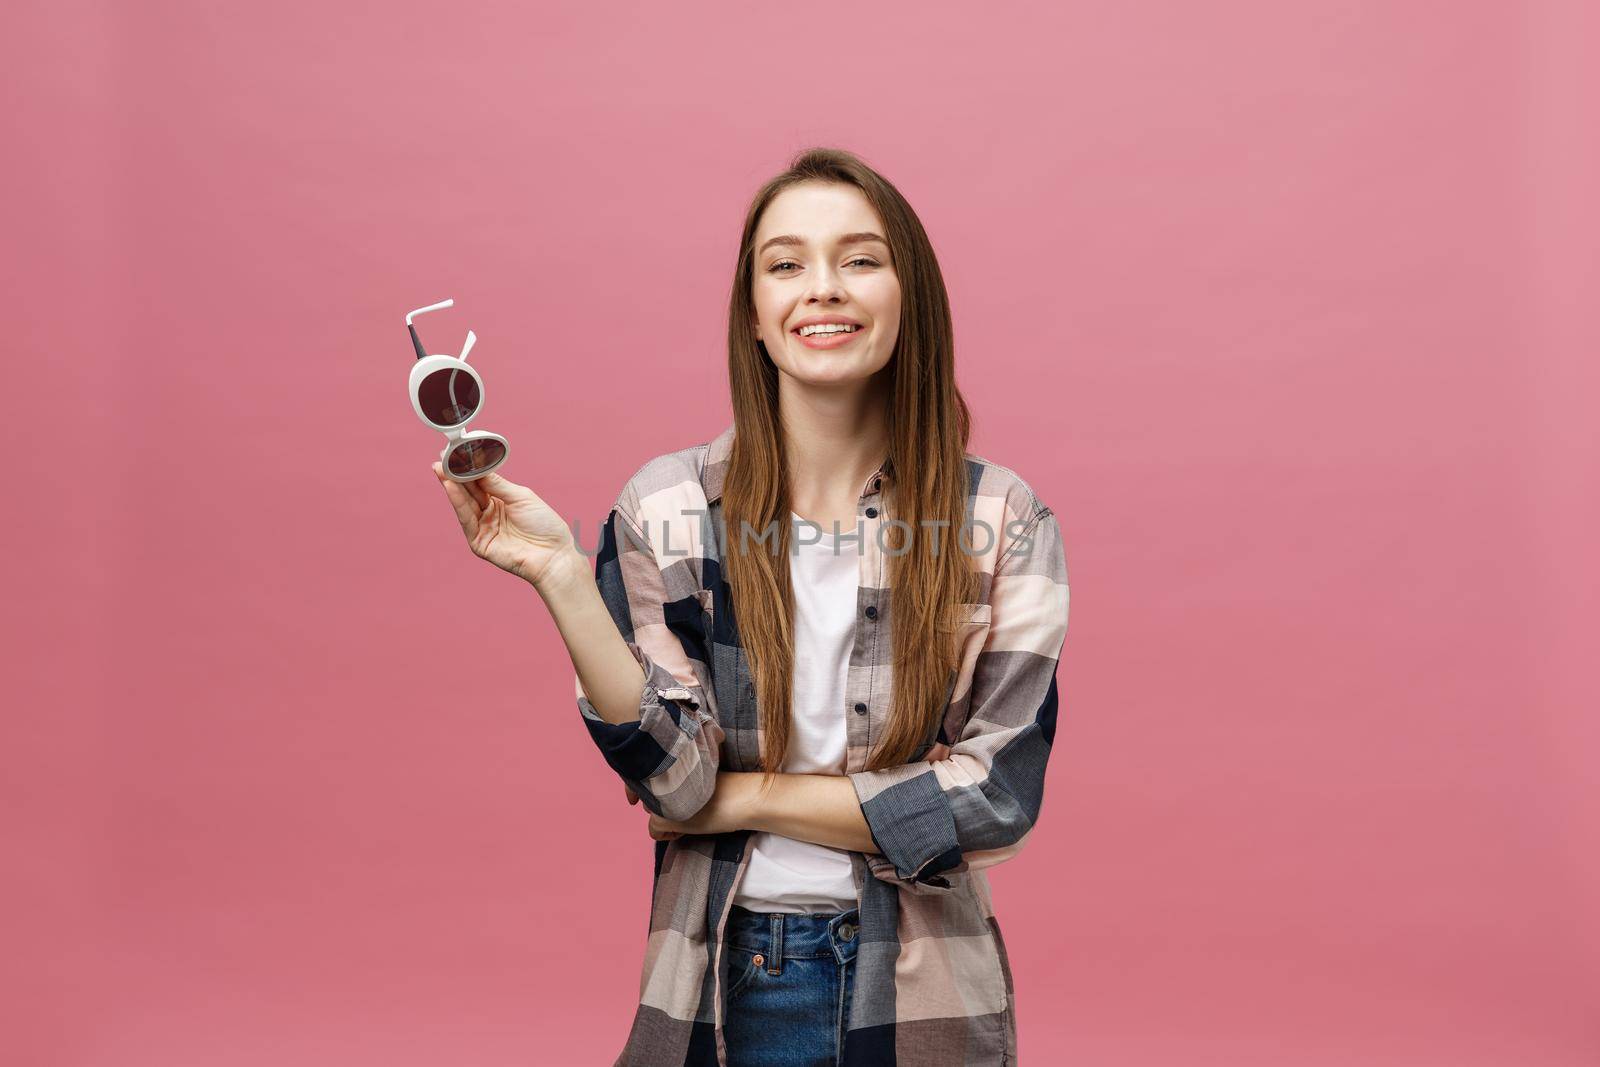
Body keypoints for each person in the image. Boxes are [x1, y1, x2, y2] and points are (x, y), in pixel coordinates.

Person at [431, 147, 1071, 1067]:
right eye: (786, 263)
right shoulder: (665, 507)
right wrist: (566, 579)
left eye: (859, 259)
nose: (823, 289)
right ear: (756, 317)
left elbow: (999, 796)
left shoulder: (999, 518)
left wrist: (749, 795)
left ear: (909, 296)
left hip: (930, 998)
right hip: (723, 986)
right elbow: (674, 783)